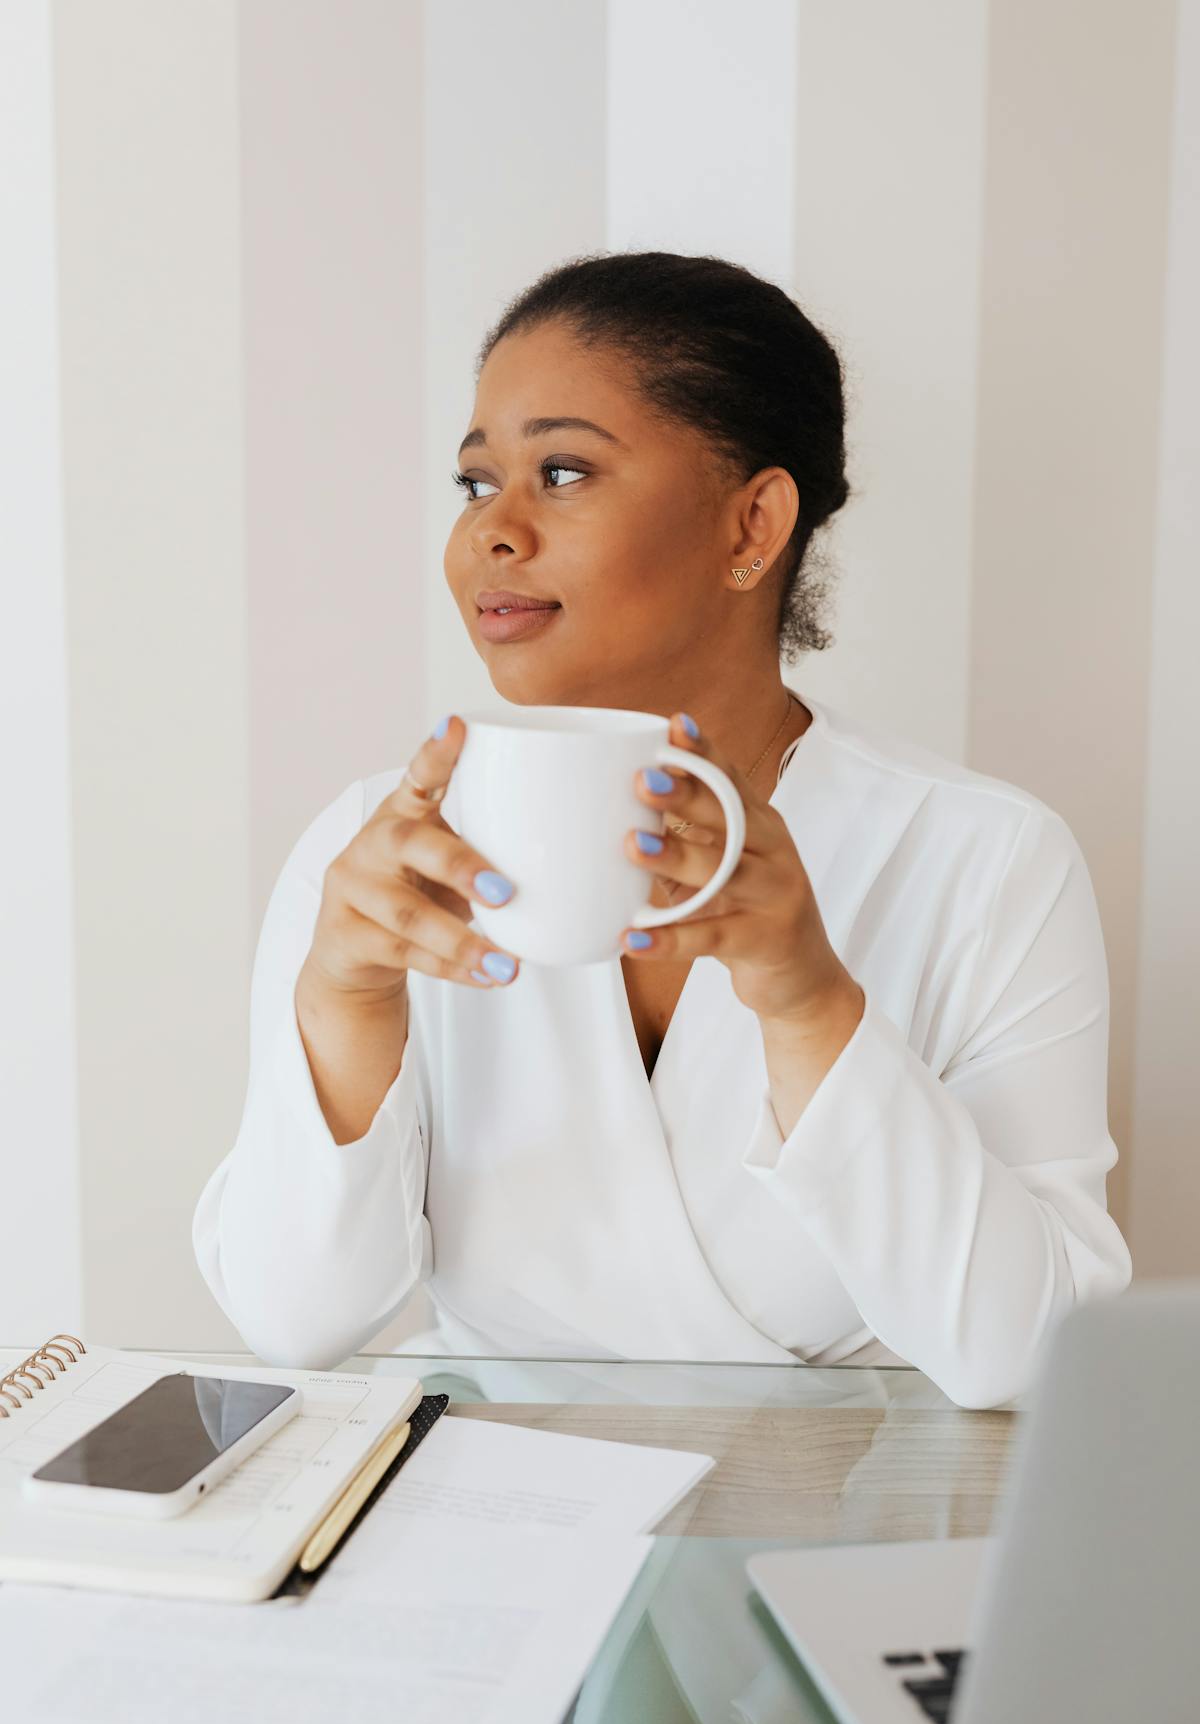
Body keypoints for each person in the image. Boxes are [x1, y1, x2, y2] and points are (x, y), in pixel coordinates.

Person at [193, 250, 1131, 1408]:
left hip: (843, 1512)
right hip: (486, 1501)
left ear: (753, 522)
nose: (492, 532)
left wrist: (809, 1007)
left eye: (563, 471)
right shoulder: (384, 859)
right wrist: (343, 1001)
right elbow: (291, 1324)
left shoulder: (986, 861)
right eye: (476, 482)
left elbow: (1038, 1361)